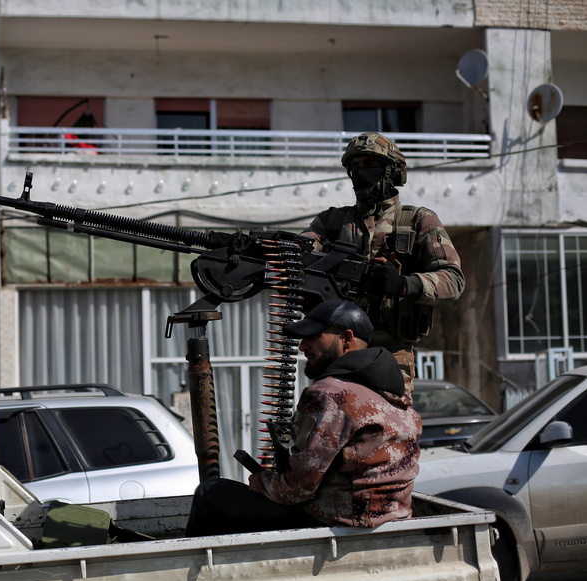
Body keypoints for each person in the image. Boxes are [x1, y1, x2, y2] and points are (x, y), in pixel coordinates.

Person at [186, 300, 421, 536]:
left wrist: (259, 481)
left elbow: (297, 489)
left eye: (313, 336)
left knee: (211, 493)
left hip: (333, 521)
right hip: (390, 519)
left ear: (347, 338)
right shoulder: (396, 395)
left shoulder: (329, 394)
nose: (302, 346)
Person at [302, 132, 465, 397]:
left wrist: (404, 284)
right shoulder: (332, 221)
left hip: (390, 351)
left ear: (392, 171)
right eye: (354, 167)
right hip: (339, 348)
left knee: (386, 426)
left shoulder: (417, 220)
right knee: (331, 420)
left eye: (369, 165)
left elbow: (453, 280)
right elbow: (301, 248)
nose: (360, 172)